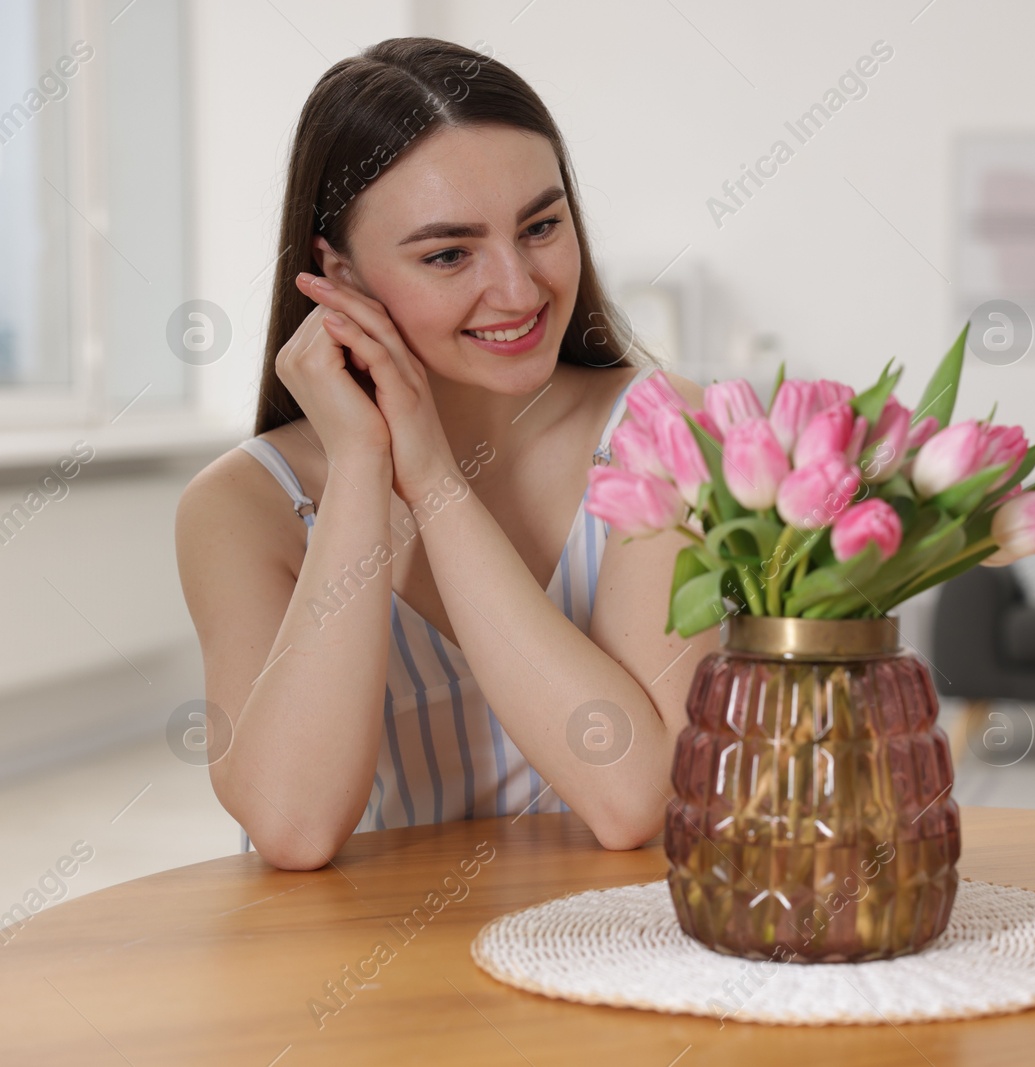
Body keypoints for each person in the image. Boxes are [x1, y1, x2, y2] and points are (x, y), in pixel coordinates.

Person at [174, 37, 717, 870]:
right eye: (449, 253)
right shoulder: (243, 507)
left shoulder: (660, 429)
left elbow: (633, 795)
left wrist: (430, 478)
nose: (518, 288)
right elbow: (293, 824)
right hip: (360, 982)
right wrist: (362, 465)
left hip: (605, 953)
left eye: (541, 226)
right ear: (338, 277)